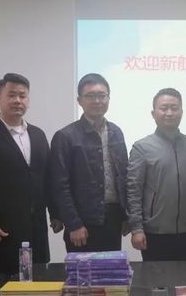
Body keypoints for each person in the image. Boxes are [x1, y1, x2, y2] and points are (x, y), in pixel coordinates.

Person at [0, 73, 62, 296]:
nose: (17, 100)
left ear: (28, 100)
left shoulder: (38, 135)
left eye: (22, 96)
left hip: (35, 233)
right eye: (11, 95)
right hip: (1, 234)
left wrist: (55, 213)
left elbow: (46, 179)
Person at [49, 73, 129, 252]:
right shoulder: (65, 136)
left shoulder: (116, 132)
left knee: (111, 268)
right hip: (82, 221)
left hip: (113, 218)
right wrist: (74, 223)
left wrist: (125, 216)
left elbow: (123, 175)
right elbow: (60, 185)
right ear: (79, 101)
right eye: (90, 96)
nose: (97, 101)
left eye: (102, 95)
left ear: (108, 98)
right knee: (82, 270)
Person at [126, 88, 186, 260]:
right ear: (153, 113)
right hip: (154, 232)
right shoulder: (142, 147)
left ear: (181, 112)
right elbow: (133, 191)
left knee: (184, 276)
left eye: (174, 108)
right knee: (155, 277)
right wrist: (136, 228)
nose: (169, 113)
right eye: (164, 108)